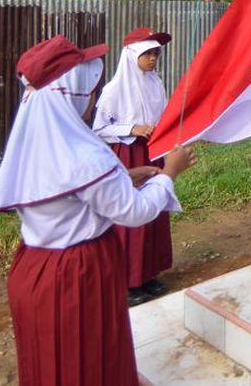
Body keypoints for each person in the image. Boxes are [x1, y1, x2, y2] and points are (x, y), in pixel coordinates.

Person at [0, 36, 195, 386]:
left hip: (34, 268)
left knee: (49, 359)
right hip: (76, 275)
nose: (93, 100)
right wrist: (171, 172)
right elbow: (135, 212)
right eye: (89, 93)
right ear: (74, 97)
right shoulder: (85, 155)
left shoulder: (35, 143)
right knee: (85, 357)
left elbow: (71, 195)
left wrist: (123, 177)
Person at [93, 27, 175, 306]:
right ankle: (128, 281)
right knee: (131, 215)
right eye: (147, 53)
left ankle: (148, 273)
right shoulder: (114, 89)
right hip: (129, 155)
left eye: (155, 53)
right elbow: (99, 127)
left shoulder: (155, 82)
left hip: (154, 152)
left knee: (154, 210)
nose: (153, 59)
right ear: (131, 56)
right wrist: (132, 128)